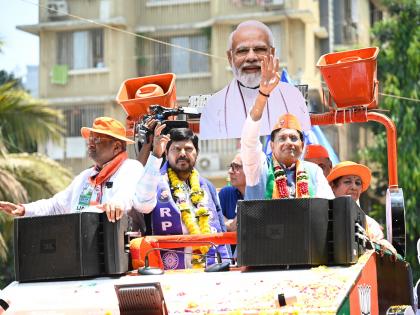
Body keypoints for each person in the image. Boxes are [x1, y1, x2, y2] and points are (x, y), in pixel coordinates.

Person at [0, 117, 144, 222]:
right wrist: (24, 209)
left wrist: (116, 204)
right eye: (90, 139)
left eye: (97, 139)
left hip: (114, 255)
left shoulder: (130, 168)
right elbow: (56, 206)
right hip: (82, 251)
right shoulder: (85, 176)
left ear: (117, 147)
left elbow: (125, 197)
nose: (91, 143)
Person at [132, 124, 229, 269]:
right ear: (166, 153)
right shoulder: (156, 182)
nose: (182, 153)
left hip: (210, 267)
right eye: (176, 149)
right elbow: (142, 204)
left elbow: (220, 229)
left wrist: (227, 263)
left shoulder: (207, 186)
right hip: (169, 270)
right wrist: (155, 155)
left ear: (197, 153)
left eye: (188, 149)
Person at [240, 54, 334, 200]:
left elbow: (328, 207)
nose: (289, 142)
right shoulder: (259, 169)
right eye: (282, 138)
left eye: (293, 138)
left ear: (302, 145)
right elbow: (249, 139)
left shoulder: (314, 172)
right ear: (271, 145)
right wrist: (263, 94)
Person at [200, 20, 311, 140]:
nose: (251, 57)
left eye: (259, 49)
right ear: (230, 57)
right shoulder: (214, 107)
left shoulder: (292, 97)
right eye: (242, 51)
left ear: (272, 53)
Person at [327, 161, 397, 254]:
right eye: (347, 182)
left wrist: (381, 244)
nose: (354, 187)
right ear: (333, 186)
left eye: (358, 183)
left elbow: (379, 246)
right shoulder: (323, 215)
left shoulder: (370, 224)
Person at [218, 153, 245, 232]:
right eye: (231, 167)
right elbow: (215, 218)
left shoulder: (265, 194)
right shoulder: (226, 193)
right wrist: (229, 225)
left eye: (236, 167)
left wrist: (230, 224)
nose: (230, 171)